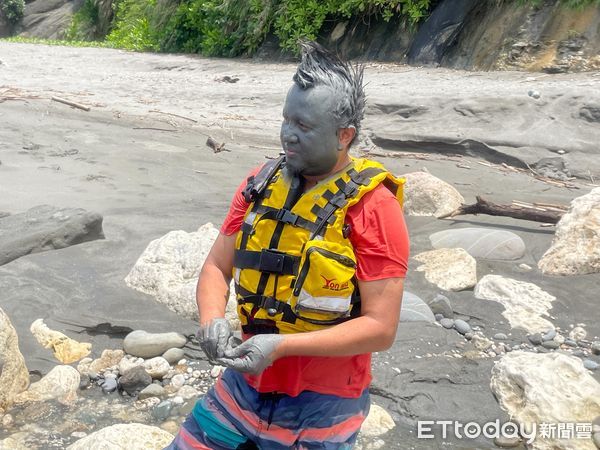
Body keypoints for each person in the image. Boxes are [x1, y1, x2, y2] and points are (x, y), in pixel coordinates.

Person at [166, 41, 409, 450]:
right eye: (286, 120)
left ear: (344, 136)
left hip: (324, 403)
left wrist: (282, 346)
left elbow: (380, 328)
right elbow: (215, 267)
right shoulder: (259, 185)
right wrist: (211, 319)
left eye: (304, 126)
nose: (288, 135)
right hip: (244, 387)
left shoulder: (373, 207)